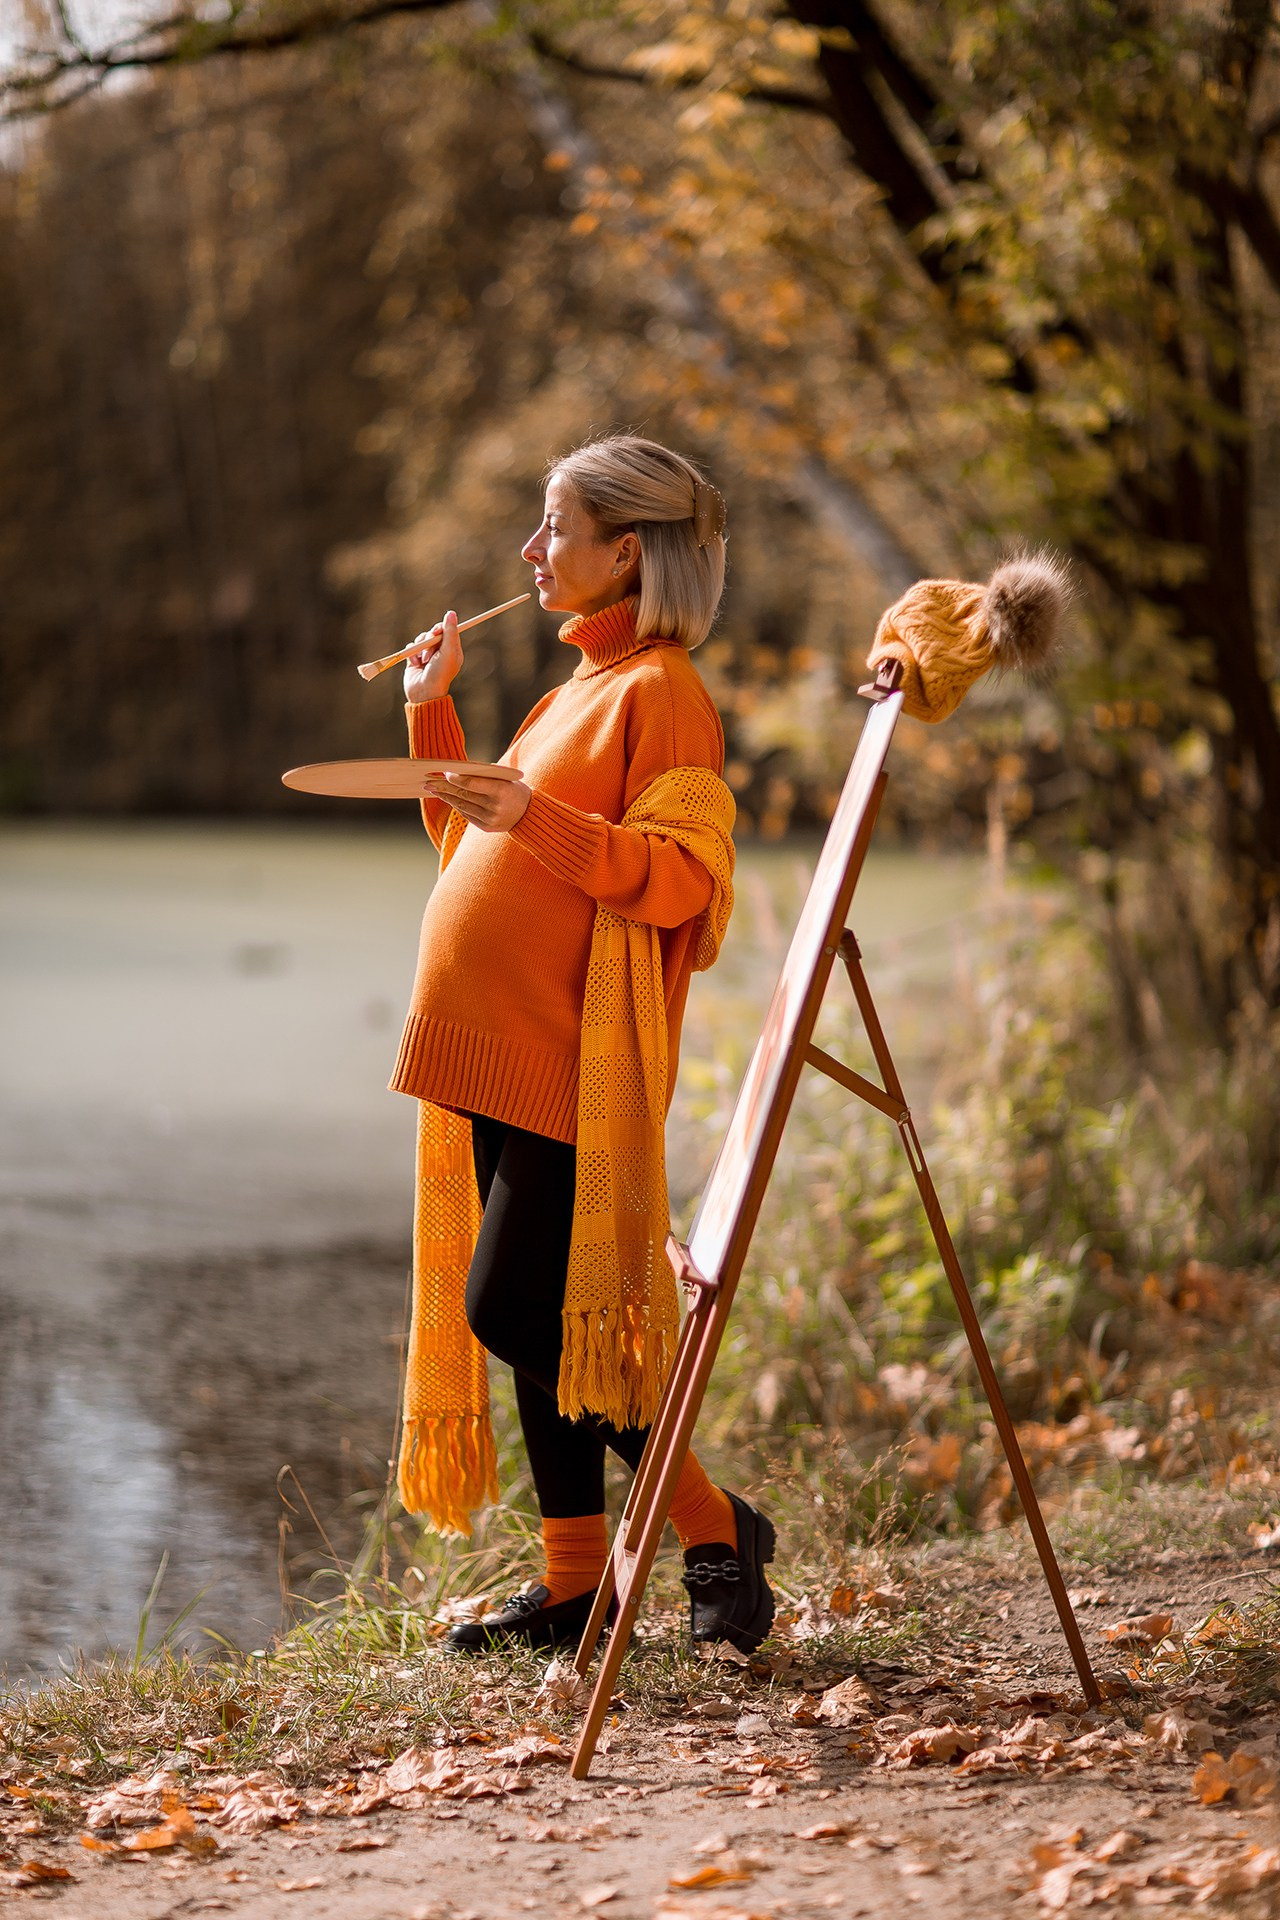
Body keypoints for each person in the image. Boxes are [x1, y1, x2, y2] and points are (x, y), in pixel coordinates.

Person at [389, 434, 776, 1654]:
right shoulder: (571, 694)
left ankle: (715, 1524)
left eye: (551, 527)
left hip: (568, 1063)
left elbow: (679, 883)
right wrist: (431, 716)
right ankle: (571, 1585)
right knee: (537, 1319)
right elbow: (482, 859)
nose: (528, 550)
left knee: (516, 1312)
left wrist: (535, 816)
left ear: (627, 550)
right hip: (496, 1050)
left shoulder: (664, 695)